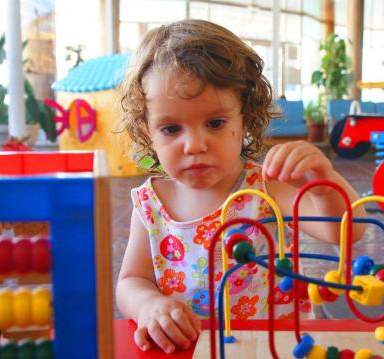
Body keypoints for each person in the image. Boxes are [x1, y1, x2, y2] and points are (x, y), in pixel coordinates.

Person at [116, 19, 366, 354]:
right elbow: (132, 281)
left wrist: (323, 187)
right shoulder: (150, 204)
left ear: (245, 118)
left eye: (215, 123)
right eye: (171, 128)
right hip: (188, 348)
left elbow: (349, 231)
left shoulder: (267, 188)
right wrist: (148, 305)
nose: (194, 145)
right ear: (147, 130)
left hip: (274, 347)